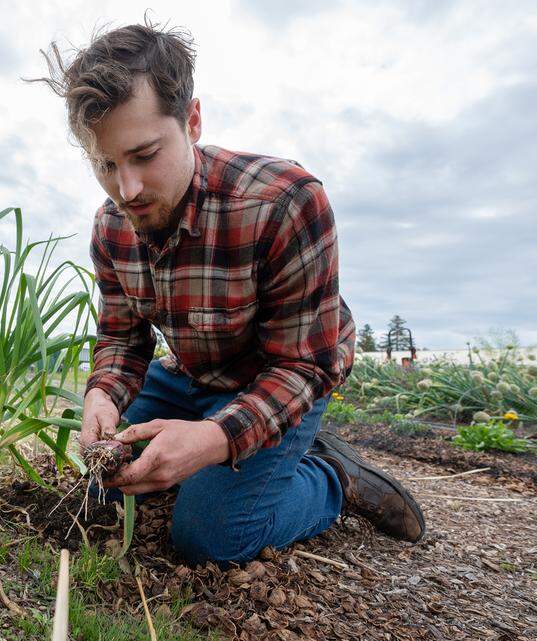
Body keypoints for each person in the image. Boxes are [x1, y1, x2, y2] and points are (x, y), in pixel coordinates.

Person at [35, 21, 424, 565]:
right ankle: (238, 454)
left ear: (191, 121)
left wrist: (214, 439)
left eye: (145, 155)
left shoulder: (284, 202)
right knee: (107, 479)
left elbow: (306, 366)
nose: (126, 190)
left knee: (209, 536)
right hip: (195, 372)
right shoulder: (111, 228)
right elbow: (123, 341)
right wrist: (103, 393)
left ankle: (329, 476)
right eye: (105, 164)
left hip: (281, 376)